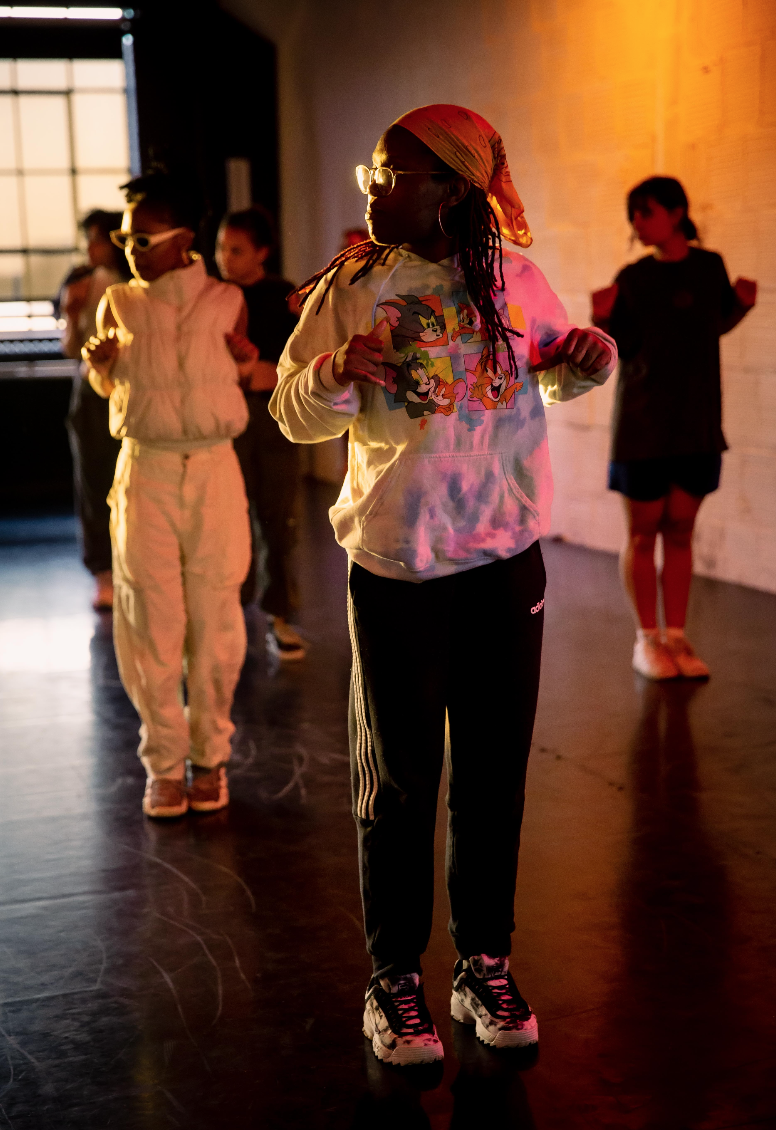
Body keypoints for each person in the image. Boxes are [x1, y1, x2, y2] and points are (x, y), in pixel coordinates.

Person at [270, 104, 617, 1065]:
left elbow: (552, 373)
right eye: (372, 173)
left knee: (494, 775)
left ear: (452, 189)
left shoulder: (516, 280)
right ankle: (394, 979)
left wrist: (588, 360)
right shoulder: (353, 286)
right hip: (398, 565)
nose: (374, 190)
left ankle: (483, 963)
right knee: (400, 779)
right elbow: (291, 411)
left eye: (392, 175)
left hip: (504, 562)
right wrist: (335, 370)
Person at [82, 171, 256, 819]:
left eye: (143, 238)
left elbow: (241, 374)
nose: (131, 249)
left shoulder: (226, 300)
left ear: (184, 238)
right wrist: (101, 367)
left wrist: (244, 362)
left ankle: (210, 757)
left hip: (213, 469)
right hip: (146, 468)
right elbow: (111, 387)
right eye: (125, 238)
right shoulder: (118, 303)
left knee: (215, 617)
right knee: (148, 618)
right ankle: (163, 762)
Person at [592, 177, 757, 680]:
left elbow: (709, 325)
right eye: (633, 214)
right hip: (642, 424)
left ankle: (677, 638)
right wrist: (601, 318)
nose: (637, 222)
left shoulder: (710, 267)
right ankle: (647, 640)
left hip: (697, 423)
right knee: (644, 535)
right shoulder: (633, 277)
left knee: (682, 530)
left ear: (677, 212)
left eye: (645, 211)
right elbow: (621, 347)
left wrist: (740, 306)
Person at [215, 207, 305, 659]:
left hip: (273, 416)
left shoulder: (282, 295)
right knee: (228, 517)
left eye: (236, 250)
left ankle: (280, 615)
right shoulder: (213, 297)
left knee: (278, 518)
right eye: (221, 249)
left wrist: (266, 371)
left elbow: (299, 357)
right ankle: (230, 613)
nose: (224, 258)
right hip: (226, 416)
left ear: (262, 252)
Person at [61, 210, 131, 611]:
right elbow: (71, 348)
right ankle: (103, 573)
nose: (92, 248)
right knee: (92, 484)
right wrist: (72, 314)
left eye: (98, 239)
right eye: (88, 239)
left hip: (131, 388)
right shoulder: (80, 280)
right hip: (90, 393)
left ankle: (129, 567)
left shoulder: (134, 281)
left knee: (131, 482)